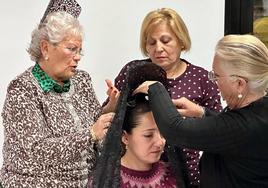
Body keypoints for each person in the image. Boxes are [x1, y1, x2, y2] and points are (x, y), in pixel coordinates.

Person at [0, 0, 117, 187]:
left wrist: (110, 108)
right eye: (71, 49)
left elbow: (95, 129)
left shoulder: (81, 80)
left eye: (80, 50)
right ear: (45, 48)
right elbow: (36, 150)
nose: (77, 56)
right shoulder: (22, 89)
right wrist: (90, 135)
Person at [104, 7, 223, 187]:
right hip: (139, 174)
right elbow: (107, 119)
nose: (158, 48)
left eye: (166, 41)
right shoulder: (134, 71)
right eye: (151, 43)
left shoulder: (201, 79)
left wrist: (194, 116)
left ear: (181, 41)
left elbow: (219, 129)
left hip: (186, 174)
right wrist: (114, 104)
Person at [134, 34, 268, 188]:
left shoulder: (248, 125)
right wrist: (202, 112)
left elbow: (174, 128)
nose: (214, 81)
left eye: (216, 75)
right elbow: (228, 127)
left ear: (239, 84)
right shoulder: (259, 107)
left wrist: (155, 87)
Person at [92, 61, 186, 188]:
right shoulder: (106, 182)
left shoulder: (173, 176)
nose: (160, 142)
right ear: (124, 137)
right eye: (148, 135)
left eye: (163, 133)